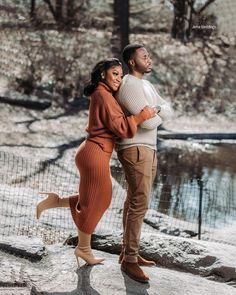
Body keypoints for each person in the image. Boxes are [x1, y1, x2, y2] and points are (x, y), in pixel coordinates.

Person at [36, 57, 157, 267]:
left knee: (95, 198)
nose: (119, 79)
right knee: (100, 200)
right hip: (95, 152)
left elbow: (115, 122)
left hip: (95, 151)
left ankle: (56, 202)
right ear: (103, 74)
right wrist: (141, 116)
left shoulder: (104, 94)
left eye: (120, 75)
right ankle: (83, 249)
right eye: (114, 74)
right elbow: (120, 127)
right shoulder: (102, 95)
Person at [115, 44, 173, 283]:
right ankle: (130, 260)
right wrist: (159, 114)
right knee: (140, 203)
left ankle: (127, 253)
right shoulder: (128, 85)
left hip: (149, 148)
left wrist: (156, 109)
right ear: (131, 61)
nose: (149, 59)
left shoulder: (147, 85)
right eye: (144, 56)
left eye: (149, 55)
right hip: (134, 148)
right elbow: (147, 124)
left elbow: (169, 108)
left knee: (133, 201)